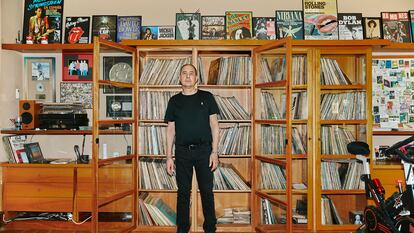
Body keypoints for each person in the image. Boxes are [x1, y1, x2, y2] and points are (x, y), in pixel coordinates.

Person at [165, 64, 219, 233]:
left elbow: (215, 126)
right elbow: (170, 130)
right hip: (182, 152)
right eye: (184, 73)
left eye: (191, 73)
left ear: (196, 78)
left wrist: (214, 152)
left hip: (204, 152)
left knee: (206, 192)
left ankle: (210, 228)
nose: (188, 76)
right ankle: (182, 228)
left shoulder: (207, 97)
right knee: (183, 193)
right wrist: (168, 157)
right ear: (180, 78)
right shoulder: (174, 101)